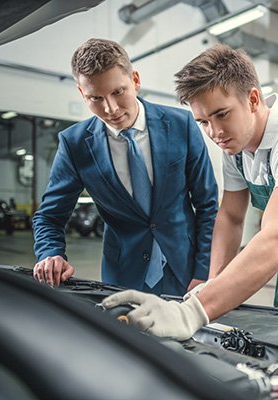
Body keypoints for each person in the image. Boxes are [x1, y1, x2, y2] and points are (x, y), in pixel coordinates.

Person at [102, 44, 278, 340]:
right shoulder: (236, 149)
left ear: (252, 99)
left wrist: (193, 311)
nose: (215, 133)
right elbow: (231, 217)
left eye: (222, 114)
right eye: (204, 122)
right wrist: (211, 287)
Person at [32, 38, 218, 296]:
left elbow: (208, 205)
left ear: (135, 80)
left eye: (118, 92)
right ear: (81, 93)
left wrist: (204, 271)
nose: (111, 109)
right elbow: (49, 217)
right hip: (122, 278)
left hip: (186, 272)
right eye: (96, 98)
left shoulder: (181, 125)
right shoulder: (75, 144)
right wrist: (51, 254)